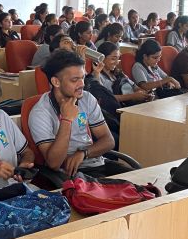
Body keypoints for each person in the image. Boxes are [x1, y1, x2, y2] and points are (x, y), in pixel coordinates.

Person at [28, 49, 131, 183]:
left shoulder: (87, 98)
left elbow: (108, 140)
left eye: (82, 77)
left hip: (96, 163)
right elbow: (54, 163)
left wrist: (83, 153)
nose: (82, 84)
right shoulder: (40, 112)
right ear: (56, 82)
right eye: (75, 80)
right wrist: (66, 119)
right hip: (68, 174)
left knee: (140, 183)